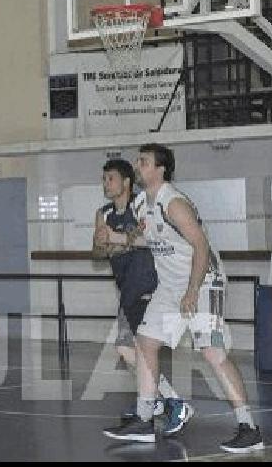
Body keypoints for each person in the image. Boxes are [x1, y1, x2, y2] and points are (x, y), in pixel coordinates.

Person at [103, 144, 263, 453]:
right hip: (171, 286)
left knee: (213, 353)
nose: (138, 166)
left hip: (203, 281)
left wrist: (192, 291)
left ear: (160, 169)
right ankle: (144, 420)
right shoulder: (142, 206)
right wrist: (114, 238)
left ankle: (249, 428)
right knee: (145, 342)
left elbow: (201, 247)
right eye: (138, 161)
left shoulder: (173, 203)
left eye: (144, 162)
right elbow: (144, 240)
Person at [92, 159, 192, 435]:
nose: (105, 184)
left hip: (149, 285)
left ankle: (157, 406)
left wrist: (117, 242)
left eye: (110, 178)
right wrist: (112, 245)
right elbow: (97, 251)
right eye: (103, 179)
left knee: (140, 347)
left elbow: (143, 240)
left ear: (126, 182)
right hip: (127, 288)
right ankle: (167, 401)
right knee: (126, 350)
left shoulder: (142, 206)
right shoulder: (103, 213)